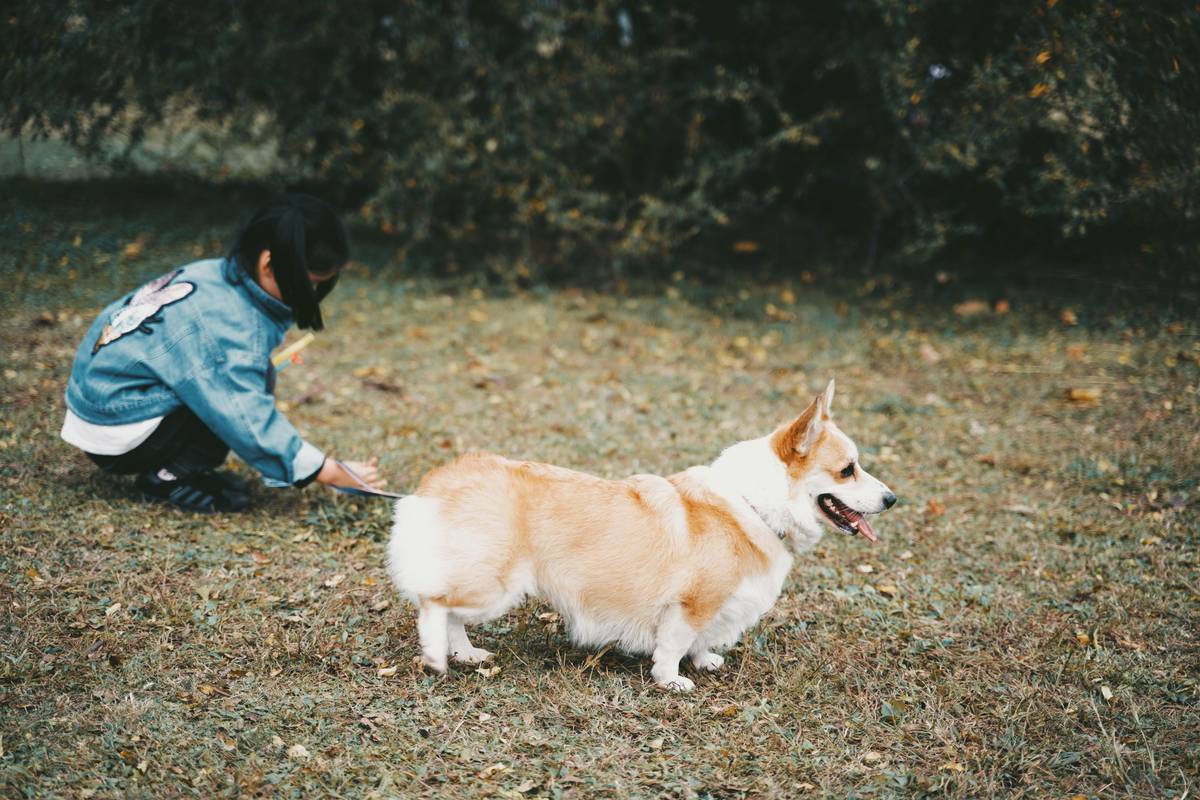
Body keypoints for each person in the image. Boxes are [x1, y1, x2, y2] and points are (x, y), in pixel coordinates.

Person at [60, 193, 386, 512]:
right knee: (227, 400)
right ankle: (167, 477)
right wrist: (326, 469)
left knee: (227, 385)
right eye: (310, 282)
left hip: (97, 403)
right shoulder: (230, 324)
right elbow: (245, 416)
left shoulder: (214, 274)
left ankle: (177, 465)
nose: (313, 293)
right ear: (268, 263)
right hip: (118, 426)